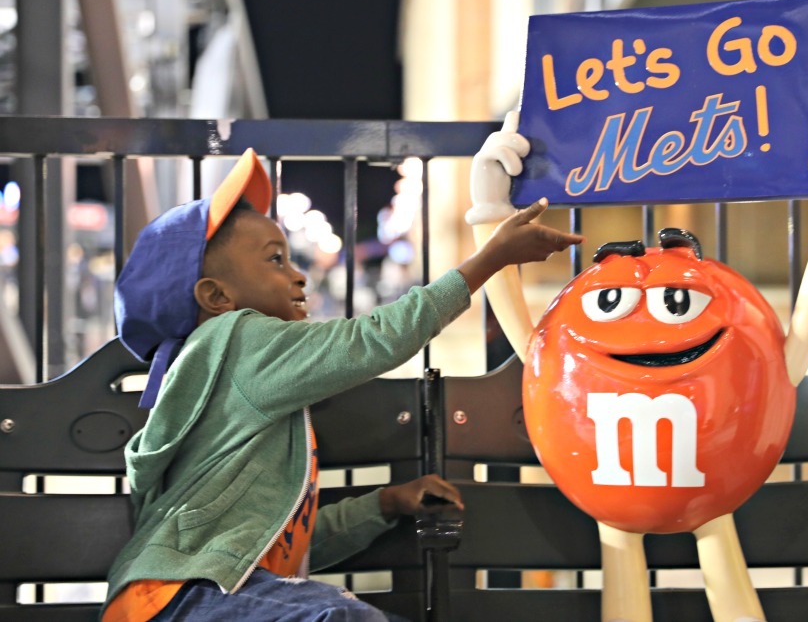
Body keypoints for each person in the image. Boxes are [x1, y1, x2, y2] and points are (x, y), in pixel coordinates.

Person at [102, 146, 584, 622]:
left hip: (198, 598)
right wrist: (489, 259)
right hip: (185, 597)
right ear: (216, 296)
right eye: (275, 260)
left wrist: (384, 503)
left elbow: (280, 541)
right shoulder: (237, 339)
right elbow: (374, 339)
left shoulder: (236, 377)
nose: (298, 276)